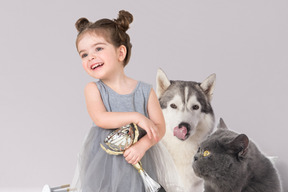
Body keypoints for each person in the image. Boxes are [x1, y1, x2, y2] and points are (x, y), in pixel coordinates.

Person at [71, 10, 183, 192]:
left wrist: (143, 145)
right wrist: (136, 117)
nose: (90, 57)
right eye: (84, 54)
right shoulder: (94, 89)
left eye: (98, 48)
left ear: (120, 52)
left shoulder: (145, 91)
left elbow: (159, 127)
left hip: (139, 156)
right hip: (105, 159)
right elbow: (101, 118)